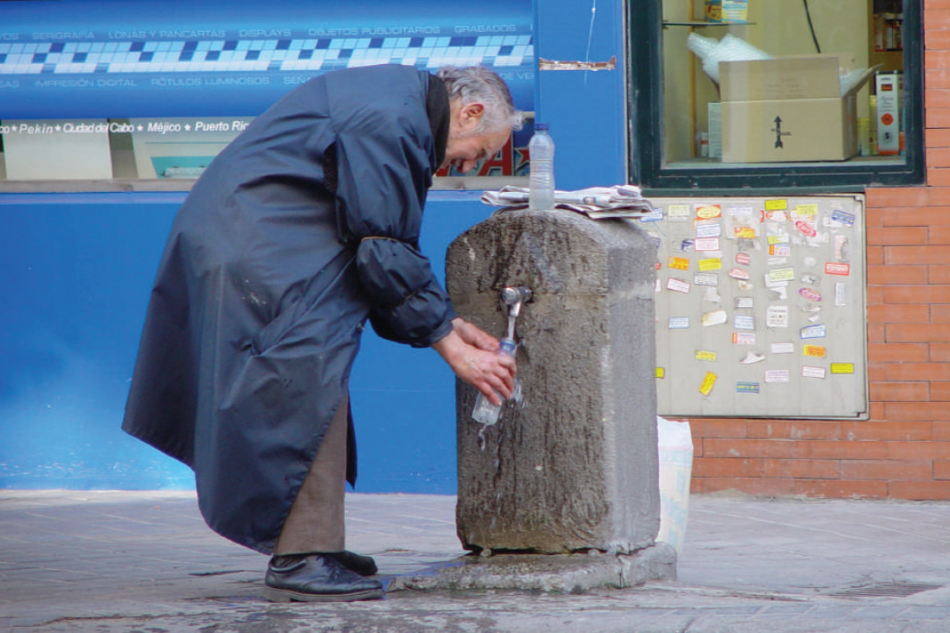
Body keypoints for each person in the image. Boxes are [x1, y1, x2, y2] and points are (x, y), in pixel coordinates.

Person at [121, 64, 523, 602]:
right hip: (261, 250)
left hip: (257, 239)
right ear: (469, 112)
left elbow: (379, 238)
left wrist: (446, 322)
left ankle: (317, 545)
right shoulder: (393, 117)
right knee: (301, 380)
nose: (467, 166)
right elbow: (381, 242)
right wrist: (447, 344)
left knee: (313, 377)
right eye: (477, 151)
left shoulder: (395, 99)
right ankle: (301, 557)